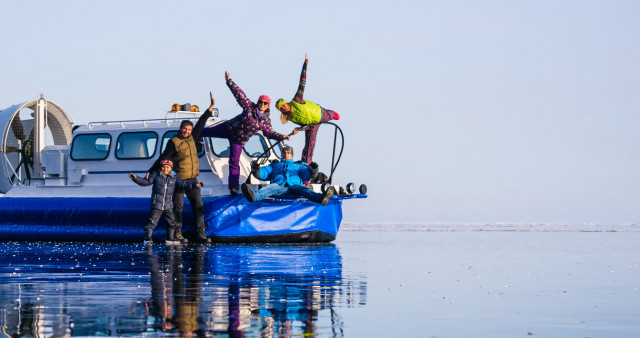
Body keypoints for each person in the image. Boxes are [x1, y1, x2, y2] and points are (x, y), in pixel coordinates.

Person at [201, 72, 292, 194]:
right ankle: (190, 135)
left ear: (268, 106)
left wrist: (282, 136)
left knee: (234, 162)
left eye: (265, 103)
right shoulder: (249, 107)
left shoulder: (265, 122)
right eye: (261, 102)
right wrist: (229, 81)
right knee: (206, 132)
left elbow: (269, 133)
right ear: (258, 102)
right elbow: (239, 94)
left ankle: (233, 187)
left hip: (238, 140)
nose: (262, 104)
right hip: (228, 128)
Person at [147, 93, 215, 244]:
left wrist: (209, 109)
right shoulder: (174, 141)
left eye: (189, 130)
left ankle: (200, 234)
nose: (187, 132)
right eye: (185, 129)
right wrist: (151, 171)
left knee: (198, 206)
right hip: (177, 179)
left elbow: (201, 123)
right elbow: (163, 157)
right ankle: (177, 233)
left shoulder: (193, 137)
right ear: (180, 128)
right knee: (177, 208)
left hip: (192, 179)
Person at [275, 54, 340, 164]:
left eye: (282, 105)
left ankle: (333, 114)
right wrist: (298, 130)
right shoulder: (291, 117)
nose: (282, 107)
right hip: (311, 125)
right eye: (280, 108)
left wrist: (305, 64)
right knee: (309, 147)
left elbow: (302, 83)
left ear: (286, 102)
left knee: (330, 115)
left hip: (319, 113)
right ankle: (306, 166)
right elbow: (303, 126)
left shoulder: (296, 100)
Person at [130, 159, 204, 244]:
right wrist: (135, 178)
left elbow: (184, 184)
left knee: (172, 223)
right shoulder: (156, 175)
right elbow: (146, 182)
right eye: (164, 167)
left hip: (168, 205)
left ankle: (170, 238)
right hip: (157, 205)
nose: (166, 169)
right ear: (161, 167)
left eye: (168, 168)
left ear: (171, 168)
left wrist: (195, 185)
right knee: (152, 223)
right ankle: (148, 238)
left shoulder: (174, 177)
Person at [240, 145, 335, 205]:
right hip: (279, 186)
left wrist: (313, 170)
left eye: (288, 153)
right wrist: (256, 168)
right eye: (284, 152)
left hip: (295, 186)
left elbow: (307, 174)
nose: (286, 154)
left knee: (305, 190)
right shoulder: (275, 165)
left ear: (292, 155)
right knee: (269, 188)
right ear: (281, 154)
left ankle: (321, 198)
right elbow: (263, 173)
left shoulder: (298, 165)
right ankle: (254, 196)